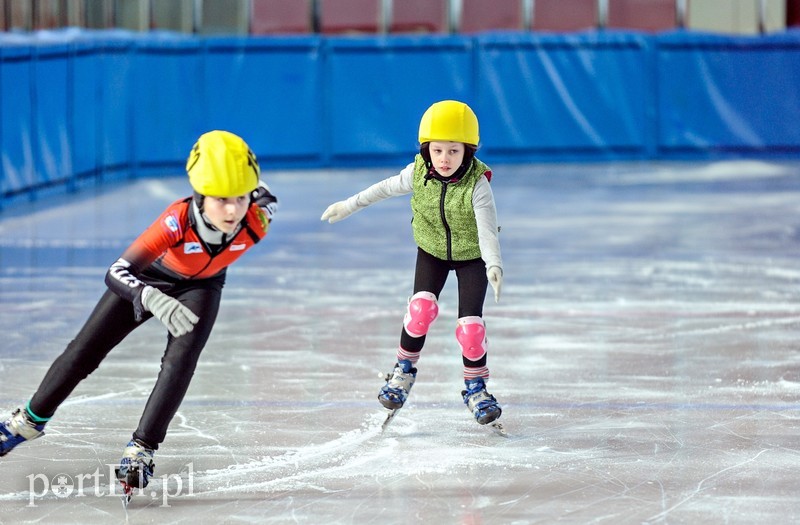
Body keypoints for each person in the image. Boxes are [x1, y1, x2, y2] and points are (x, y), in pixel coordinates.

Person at [0, 130, 278, 490]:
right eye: (221, 199)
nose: (232, 210)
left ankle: (142, 449)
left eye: (240, 198)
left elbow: (262, 193)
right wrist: (148, 296)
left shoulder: (260, 217)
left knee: (181, 362)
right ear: (200, 194)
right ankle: (28, 422)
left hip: (201, 287)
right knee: (84, 351)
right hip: (148, 278)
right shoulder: (176, 222)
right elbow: (116, 271)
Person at [321, 100, 504, 426]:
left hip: (472, 257)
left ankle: (476, 388)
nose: (445, 159)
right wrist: (348, 206)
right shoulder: (417, 174)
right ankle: (402, 372)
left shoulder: (478, 184)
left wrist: (494, 265)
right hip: (431, 251)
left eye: (453, 151)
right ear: (426, 150)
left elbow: (487, 229)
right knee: (420, 310)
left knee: (471, 329)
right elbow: (381, 190)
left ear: (468, 151)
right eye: (437, 151)